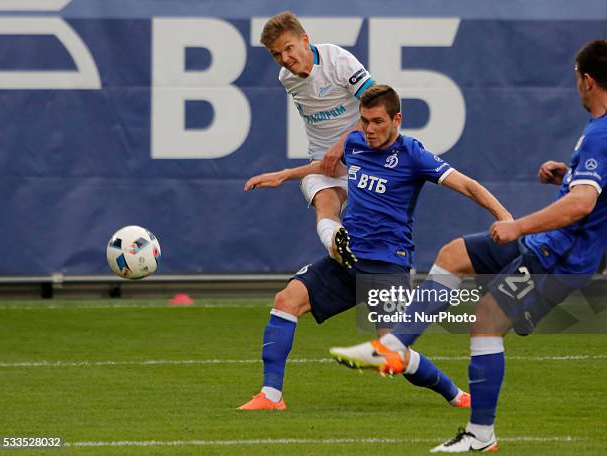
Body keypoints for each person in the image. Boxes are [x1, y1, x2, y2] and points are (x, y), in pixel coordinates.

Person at [329, 40, 607, 452]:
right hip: (548, 244)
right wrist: (568, 176)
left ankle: (480, 435)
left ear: (587, 80)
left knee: (486, 320)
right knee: (453, 254)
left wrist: (517, 226)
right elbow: (587, 191)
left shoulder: (600, 131)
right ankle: (391, 346)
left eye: (575, 79)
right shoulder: (599, 132)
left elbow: (583, 204)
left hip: (560, 255)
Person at [238, 84, 513, 411]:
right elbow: (325, 169)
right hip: (347, 257)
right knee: (287, 300)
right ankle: (271, 396)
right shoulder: (355, 144)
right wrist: (283, 175)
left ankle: (454, 394)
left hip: (387, 265)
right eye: (365, 121)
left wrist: (506, 218)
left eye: (378, 122)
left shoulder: (413, 154)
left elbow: (467, 185)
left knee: (391, 351)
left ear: (397, 119)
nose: (369, 129)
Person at [245, 11, 375, 265]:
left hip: (365, 157)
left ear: (305, 40)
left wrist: (342, 145)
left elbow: (377, 106)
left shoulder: (338, 60)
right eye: (276, 54)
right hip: (323, 162)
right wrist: (331, 153)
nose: (284, 58)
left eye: (288, 48)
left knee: (382, 234)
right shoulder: (286, 78)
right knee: (325, 201)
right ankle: (337, 248)